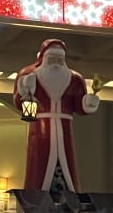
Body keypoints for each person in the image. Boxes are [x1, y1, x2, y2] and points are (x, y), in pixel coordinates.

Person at [13, 38, 100, 194]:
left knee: (68, 167)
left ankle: (70, 197)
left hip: (65, 127)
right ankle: (37, 198)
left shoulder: (75, 78)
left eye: (60, 59)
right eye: (52, 59)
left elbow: (79, 105)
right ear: (43, 57)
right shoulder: (28, 74)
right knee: (38, 167)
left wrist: (89, 102)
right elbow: (19, 102)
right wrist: (25, 90)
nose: (56, 63)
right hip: (40, 128)